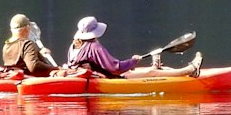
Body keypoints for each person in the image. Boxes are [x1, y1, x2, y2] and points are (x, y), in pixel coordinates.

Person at [66, 16, 203, 78]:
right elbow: (115, 68)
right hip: (104, 79)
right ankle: (191, 70)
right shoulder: (94, 47)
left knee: (150, 70)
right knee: (151, 74)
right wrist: (133, 61)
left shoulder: (74, 45)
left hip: (97, 76)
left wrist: (131, 64)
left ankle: (158, 67)